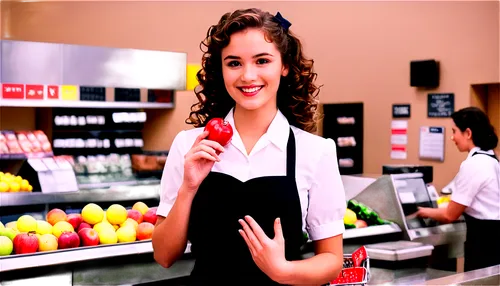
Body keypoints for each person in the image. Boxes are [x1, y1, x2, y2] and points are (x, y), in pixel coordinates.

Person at [152, 8, 346, 285]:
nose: (247, 76)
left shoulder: (316, 152)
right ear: (221, 69)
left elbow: (331, 260)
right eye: (234, 63)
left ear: (285, 65)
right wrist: (188, 188)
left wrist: (283, 271)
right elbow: (163, 255)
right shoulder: (188, 145)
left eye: (262, 61)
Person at [415, 107, 500, 272]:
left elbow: (449, 215)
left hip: (483, 243)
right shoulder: (492, 159)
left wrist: (421, 211)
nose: (452, 137)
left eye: (454, 131)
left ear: (468, 133)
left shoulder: (473, 164)